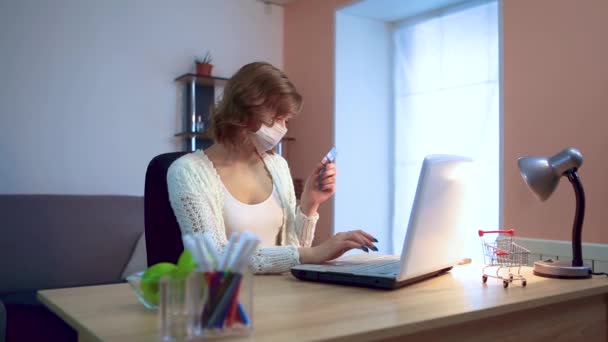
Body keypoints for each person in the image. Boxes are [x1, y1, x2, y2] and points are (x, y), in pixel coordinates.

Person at [167, 62, 377, 274]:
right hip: (232, 302)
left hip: (285, 297)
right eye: (278, 118)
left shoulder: (277, 165)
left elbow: (295, 251)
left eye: (286, 120)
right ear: (243, 112)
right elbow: (213, 259)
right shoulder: (187, 171)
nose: (283, 128)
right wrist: (315, 253)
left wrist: (310, 202)